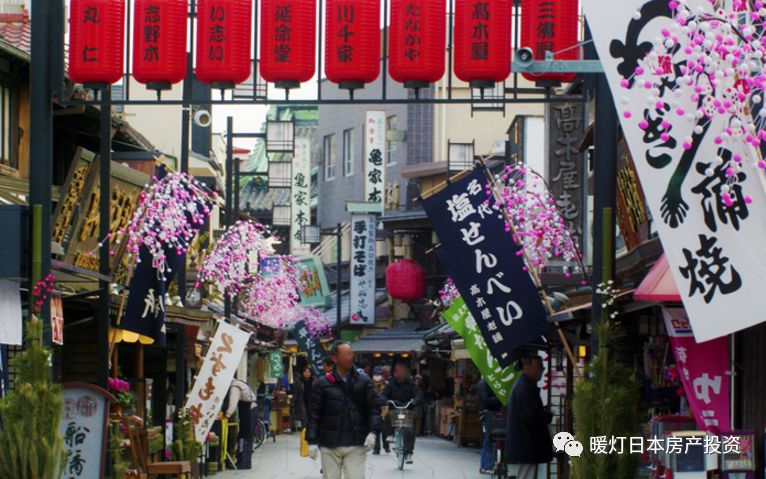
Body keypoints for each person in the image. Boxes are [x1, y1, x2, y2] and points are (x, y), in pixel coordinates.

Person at [307, 341, 381, 479]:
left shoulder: (364, 381)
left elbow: (374, 408)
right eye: (346, 354)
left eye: (351, 354)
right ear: (335, 358)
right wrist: (311, 441)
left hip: (356, 443)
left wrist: (373, 432)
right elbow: (314, 413)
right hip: (329, 444)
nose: (350, 357)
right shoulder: (323, 384)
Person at [505, 354, 553, 479]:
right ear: (528, 366)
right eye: (539, 367)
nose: (542, 370)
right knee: (527, 476)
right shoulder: (525, 387)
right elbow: (532, 416)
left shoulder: (523, 385)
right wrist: (547, 416)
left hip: (525, 444)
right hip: (526, 444)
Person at [380, 362, 423, 464]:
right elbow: (384, 395)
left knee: (410, 430)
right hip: (394, 410)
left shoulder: (411, 384)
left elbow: (418, 394)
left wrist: (415, 401)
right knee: (388, 415)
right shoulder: (390, 384)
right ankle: (390, 434)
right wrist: (384, 400)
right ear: (395, 373)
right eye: (399, 371)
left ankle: (408, 453)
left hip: (407, 411)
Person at [224, 377, 257, 469]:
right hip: (251, 410)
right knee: (247, 436)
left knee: (245, 436)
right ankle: (246, 462)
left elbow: (232, 404)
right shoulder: (239, 383)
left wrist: (227, 415)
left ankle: (243, 463)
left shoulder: (234, 387)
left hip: (249, 411)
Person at [477, 378, 503, 474]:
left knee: (491, 439)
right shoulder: (483, 383)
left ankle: (490, 464)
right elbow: (486, 400)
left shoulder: (491, 382)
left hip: (493, 414)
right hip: (488, 415)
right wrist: (500, 398)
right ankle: (486, 465)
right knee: (489, 438)